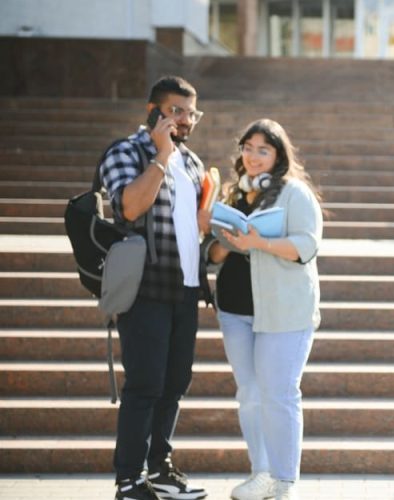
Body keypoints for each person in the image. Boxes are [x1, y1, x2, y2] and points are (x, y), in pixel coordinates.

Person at [100, 75, 211, 500]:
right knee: (145, 383)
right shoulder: (125, 152)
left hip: (184, 287)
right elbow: (129, 206)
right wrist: (161, 156)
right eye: (176, 111)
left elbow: (189, 226)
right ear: (153, 112)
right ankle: (129, 479)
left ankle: (160, 471)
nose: (185, 120)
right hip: (145, 287)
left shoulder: (193, 162)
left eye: (191, 112)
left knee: (174, 382)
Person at [207, 118, 323, 500]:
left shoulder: (295, 194)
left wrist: (261, 242)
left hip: (284, 311)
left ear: (278, 155)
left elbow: (306, 246)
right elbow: (214, 254)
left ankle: (284, 480)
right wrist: (224, 242)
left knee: (279, 392)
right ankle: (261, 472)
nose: (253, 156)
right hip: (236, 309)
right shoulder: (231, 194)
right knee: (250, 394)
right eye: (248, 147)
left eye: (263, 149)